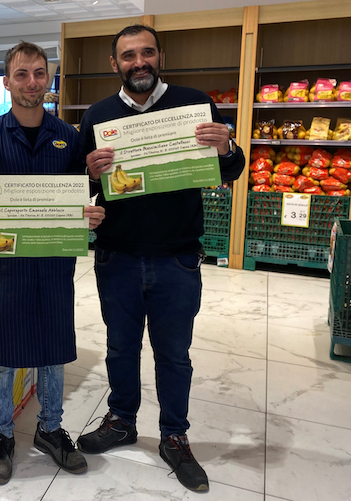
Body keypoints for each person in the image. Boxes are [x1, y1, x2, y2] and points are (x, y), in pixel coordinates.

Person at [75, 25, 245, 492]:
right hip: (117, 256)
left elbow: (231, 169)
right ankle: (121, 421)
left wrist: (226, 146)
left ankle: (174, 436)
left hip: (177, 258)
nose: (139, 62)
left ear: (160, 56)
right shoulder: (98, 116)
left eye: (147, 52)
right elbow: (80, 187)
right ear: (115, 64)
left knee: (173, 354)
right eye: (129, 55)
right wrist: (90, 173)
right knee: (120, 347)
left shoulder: (194, 105)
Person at [0, 41, 106, 485]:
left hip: (55, 261)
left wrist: (91, 210)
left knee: (53, 351)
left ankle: (50, 429)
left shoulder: (68, 137)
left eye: (39, 73)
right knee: (3, 355)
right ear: (7, 81)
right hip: (7, 265)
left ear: (48, 79)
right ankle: (1, 436)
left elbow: (83, 188)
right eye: (22, 74)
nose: (32, 82)